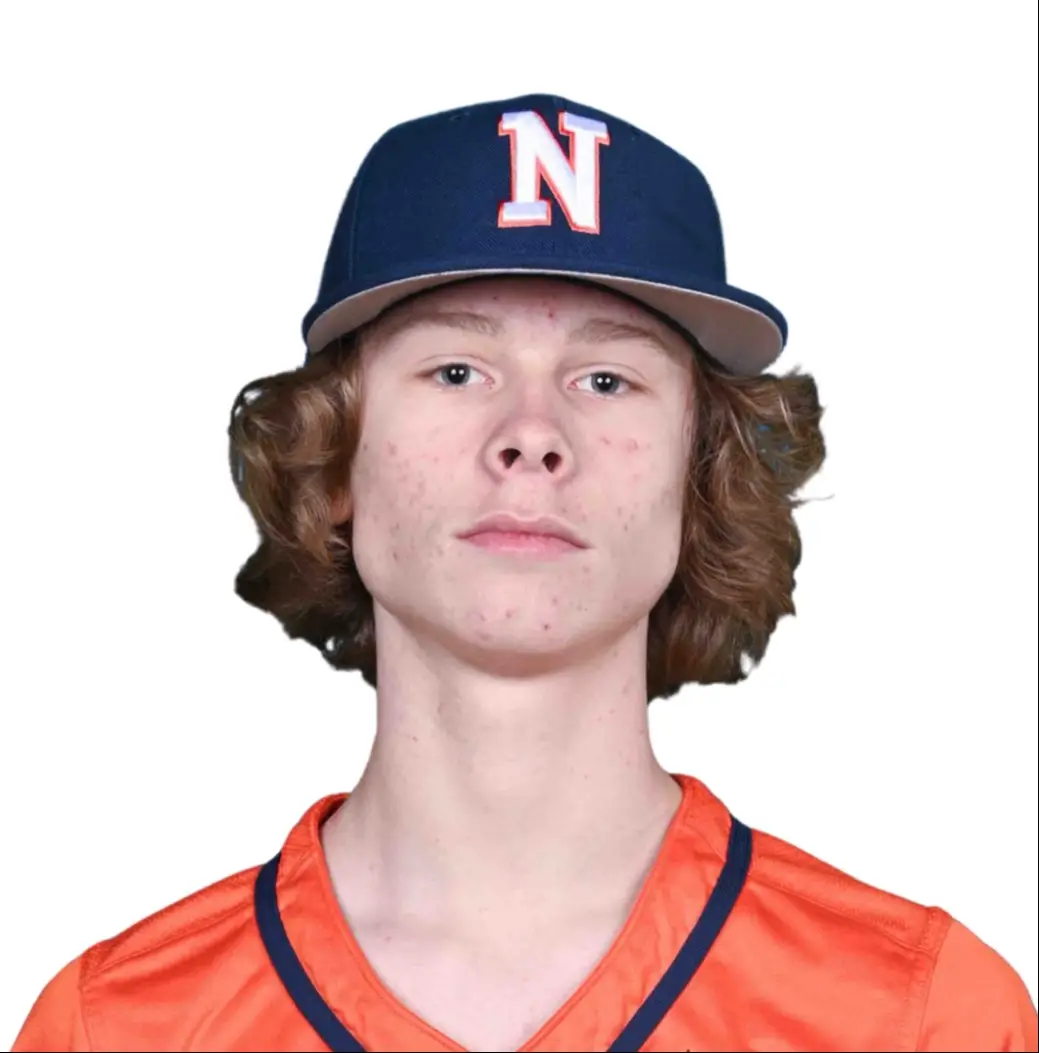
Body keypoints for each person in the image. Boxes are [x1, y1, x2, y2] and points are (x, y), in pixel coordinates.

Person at [12, 93, 1036, 1053]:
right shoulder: (118, 1027)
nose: (532, 434)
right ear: (333, 462)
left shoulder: (920, 1017)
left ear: (701, 478)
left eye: (607, 378)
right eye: (456, 370)